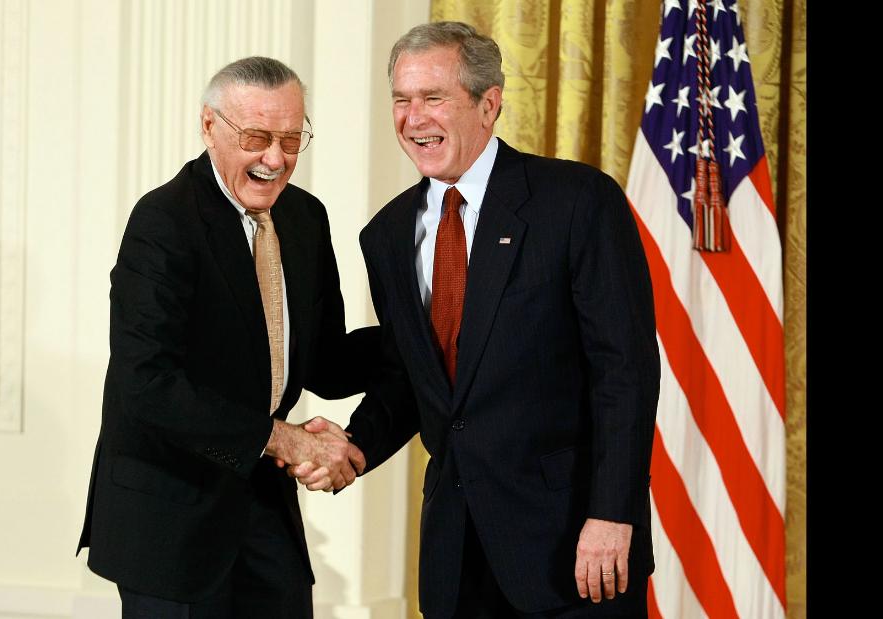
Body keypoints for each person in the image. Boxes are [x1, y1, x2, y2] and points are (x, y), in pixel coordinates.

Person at [293, 22, 661, 618]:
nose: (413, 119)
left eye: (433, 97)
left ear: (489, 105)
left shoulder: (575, 201)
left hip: (573, 545)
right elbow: (418, 376)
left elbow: (625, 372)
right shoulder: (385, 235)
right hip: (455, 550)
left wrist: (612, 513)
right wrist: (356, 448)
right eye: (401, 100)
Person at [76, 56, 370, 619]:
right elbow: (147, 385)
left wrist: (427, 332)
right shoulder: (163, 221)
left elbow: (327, 362)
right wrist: (283, 439)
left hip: (263, 509)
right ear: (210, 126)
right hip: (171, 517)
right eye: (257, 137)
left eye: (291, 138)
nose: (276, 159)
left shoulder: (306, 218)